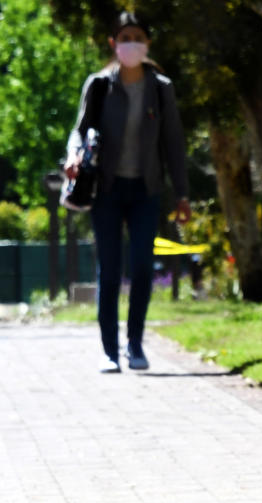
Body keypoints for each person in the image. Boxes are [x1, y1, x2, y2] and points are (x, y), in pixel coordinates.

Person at [65, 11, 190, 373]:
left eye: (137, 37)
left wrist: (182, 194)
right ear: (114, 44)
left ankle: (135, 344)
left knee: (140, 266)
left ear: (147, 43)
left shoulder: (160, 88)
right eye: (124, 38)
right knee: (110, 269)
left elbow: (174, 145)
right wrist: (74, 155)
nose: (131, 43)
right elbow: (80, 129)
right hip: (106, 189)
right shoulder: (100, 85)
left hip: (146, 190)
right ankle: (109, 351)